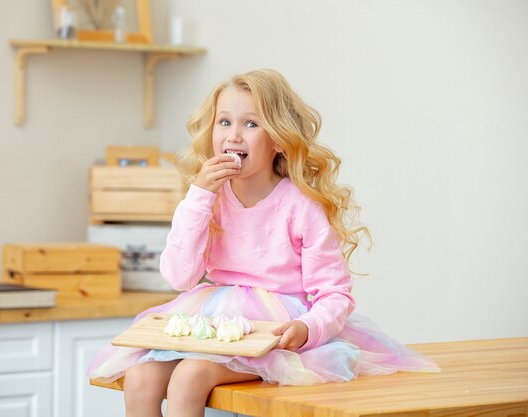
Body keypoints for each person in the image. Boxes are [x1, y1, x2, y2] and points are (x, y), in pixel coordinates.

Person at [88, 69, 439, 417]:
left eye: (251, 124)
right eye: (224, 122)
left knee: (188, 378)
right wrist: (198, 196)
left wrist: (307, 328)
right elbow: (179, 278)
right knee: (138, 380)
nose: (234, 136)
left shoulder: (302, 206)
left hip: (273, 331)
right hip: (216, 320)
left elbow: (334, 294)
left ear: (279, 139)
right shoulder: (209, 199)